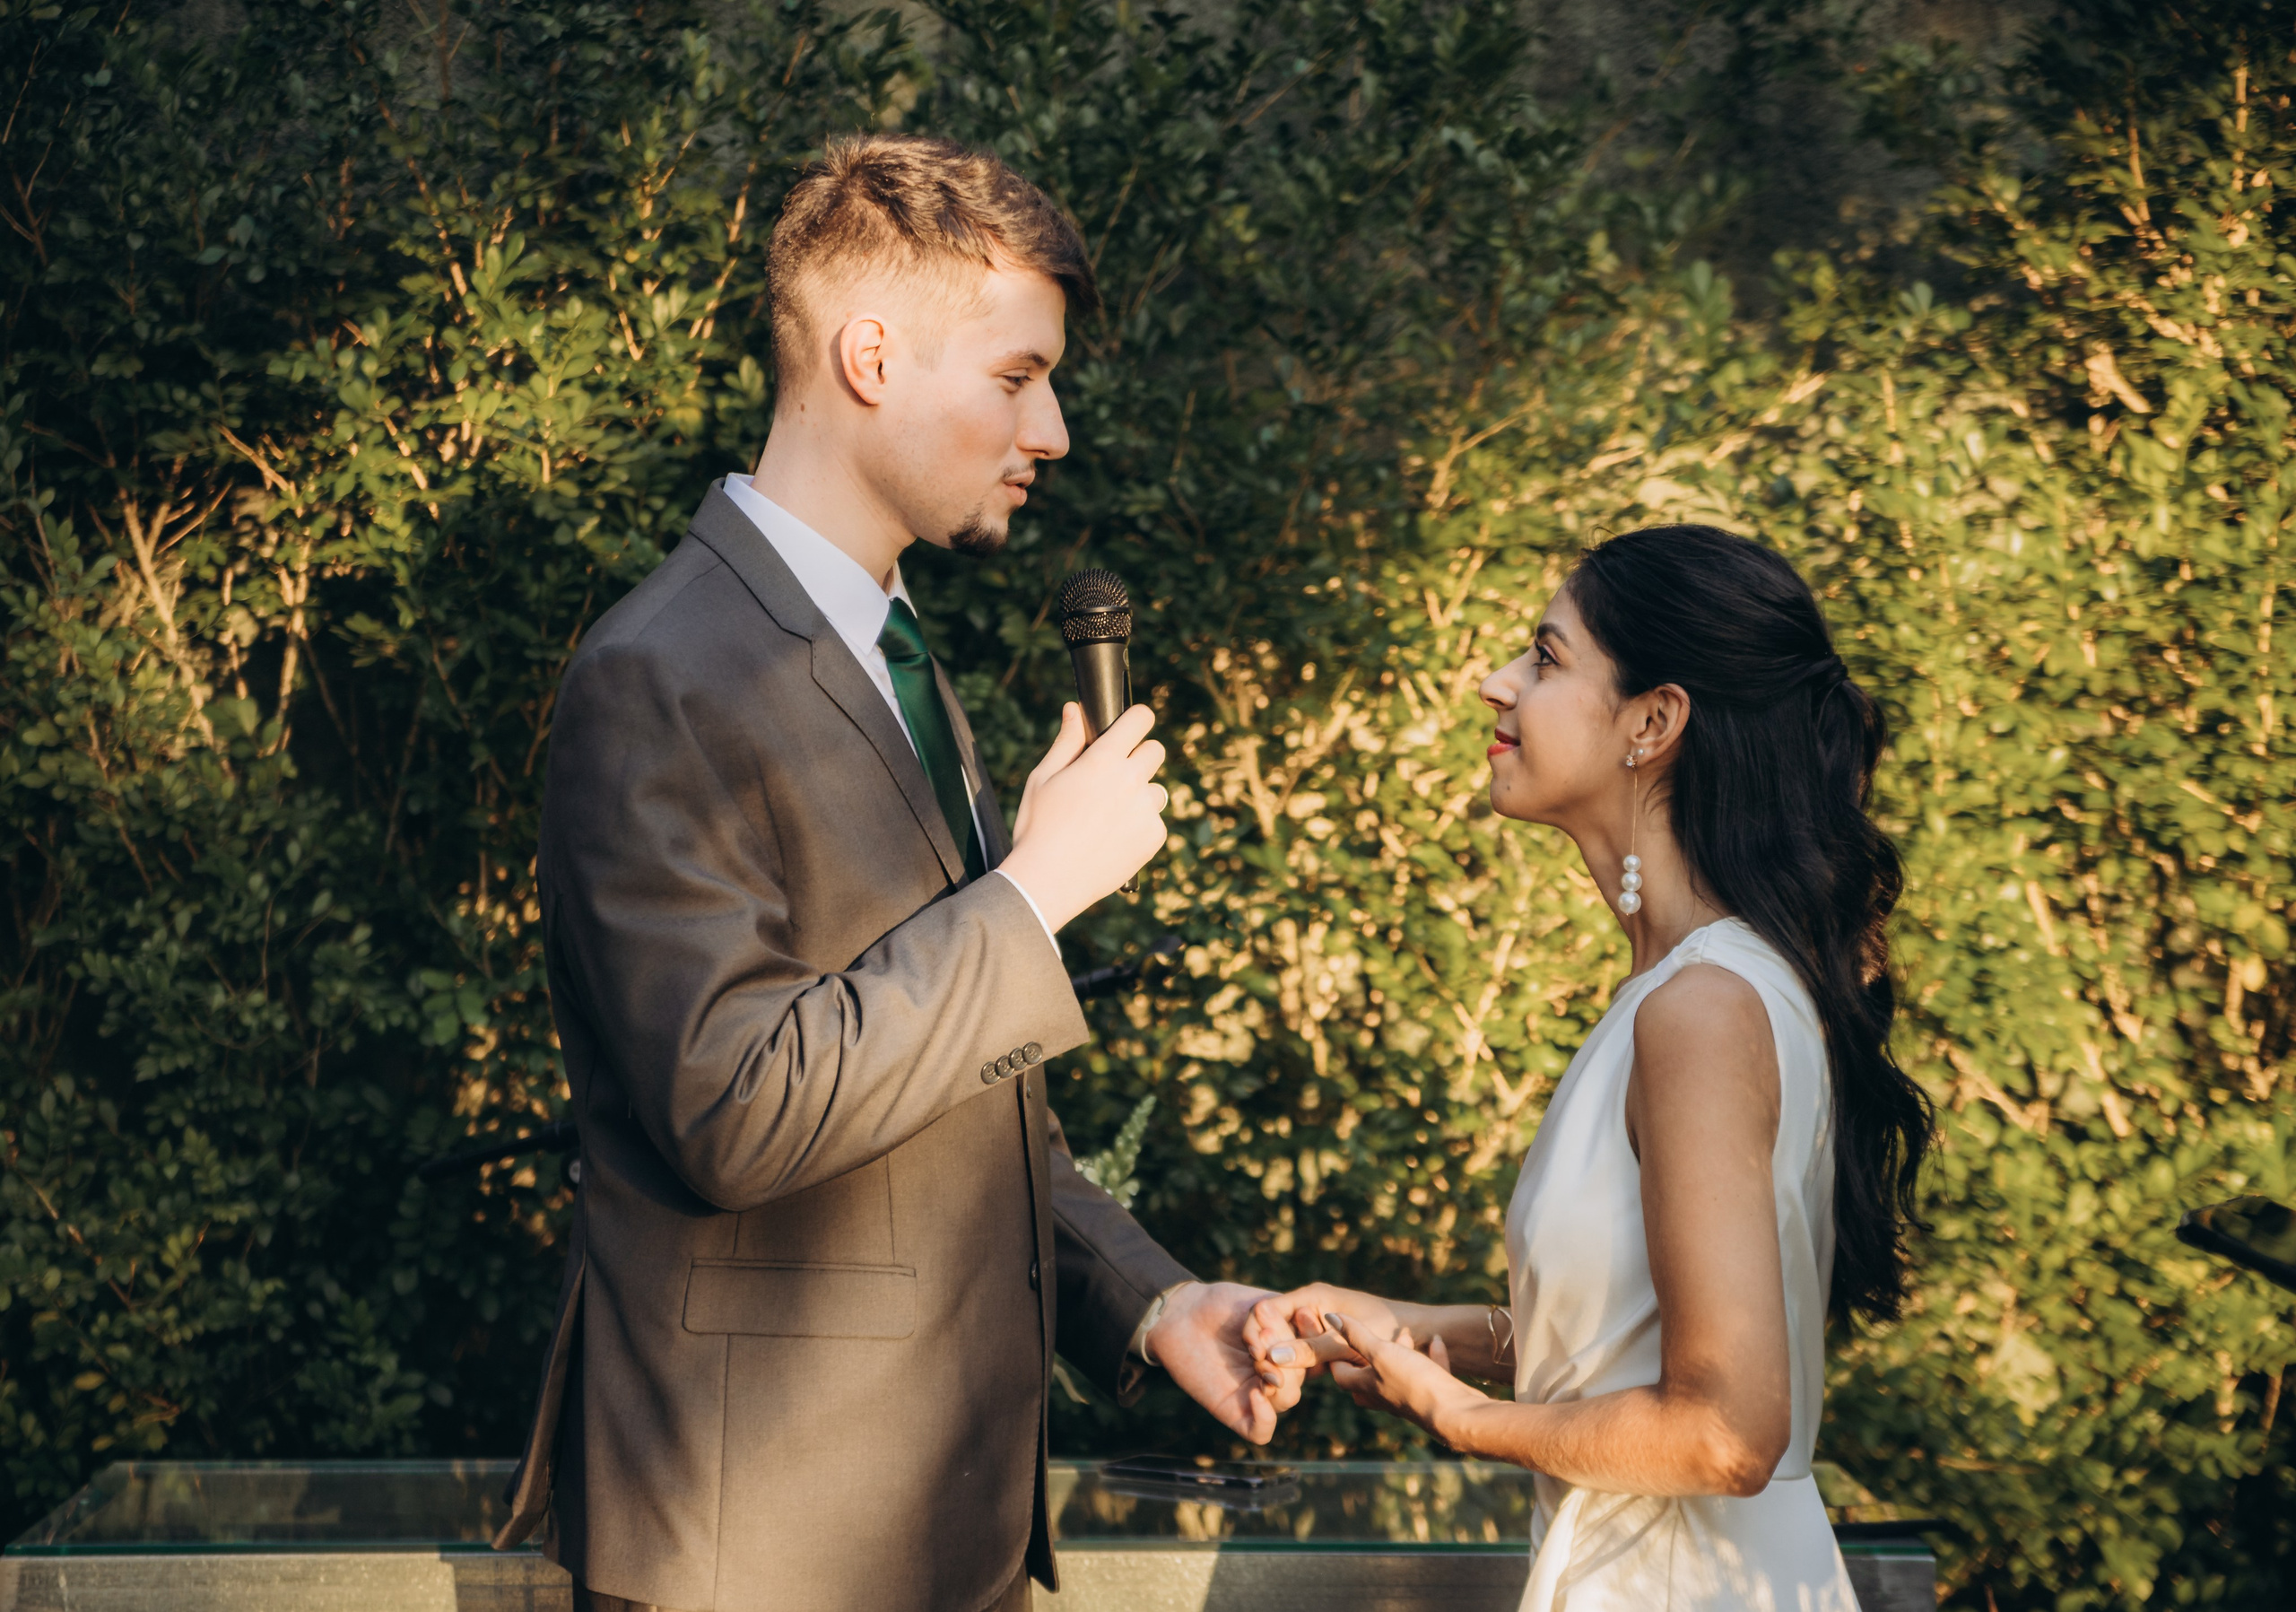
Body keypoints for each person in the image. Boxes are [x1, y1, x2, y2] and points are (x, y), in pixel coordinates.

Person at [492, 134, 1308, 1612]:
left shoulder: (895, 655)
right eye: (1015, 376)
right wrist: (1036, 895)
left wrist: (1153, 1303)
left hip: (953, 1536)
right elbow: (733, 1113)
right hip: (761, 1555)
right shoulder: (656, 673)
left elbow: (950, 1093)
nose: (1050, 427)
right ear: (870, 355)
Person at [1246, 526, 1935, 1610]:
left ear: (1652, 722)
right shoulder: (1696, 988)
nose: (1495, 684)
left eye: (1545, 657)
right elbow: (1625, 1341)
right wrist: (1409, 1336)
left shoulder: (1701, 1008)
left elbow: (1721, 1432)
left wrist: (1456, 1416)